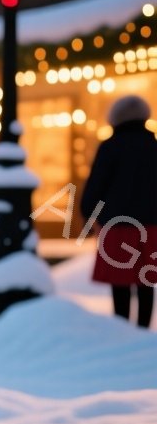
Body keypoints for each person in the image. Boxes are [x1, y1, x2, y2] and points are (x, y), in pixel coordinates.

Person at [82, 95, 157, 328]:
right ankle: (143, 331)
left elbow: (96, 185)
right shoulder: (154, 147)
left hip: (117, 227)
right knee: (147, 282)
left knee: (120, 282)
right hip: (151, 226)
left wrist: (88, 215)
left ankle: (122, 330)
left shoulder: (110, 147)